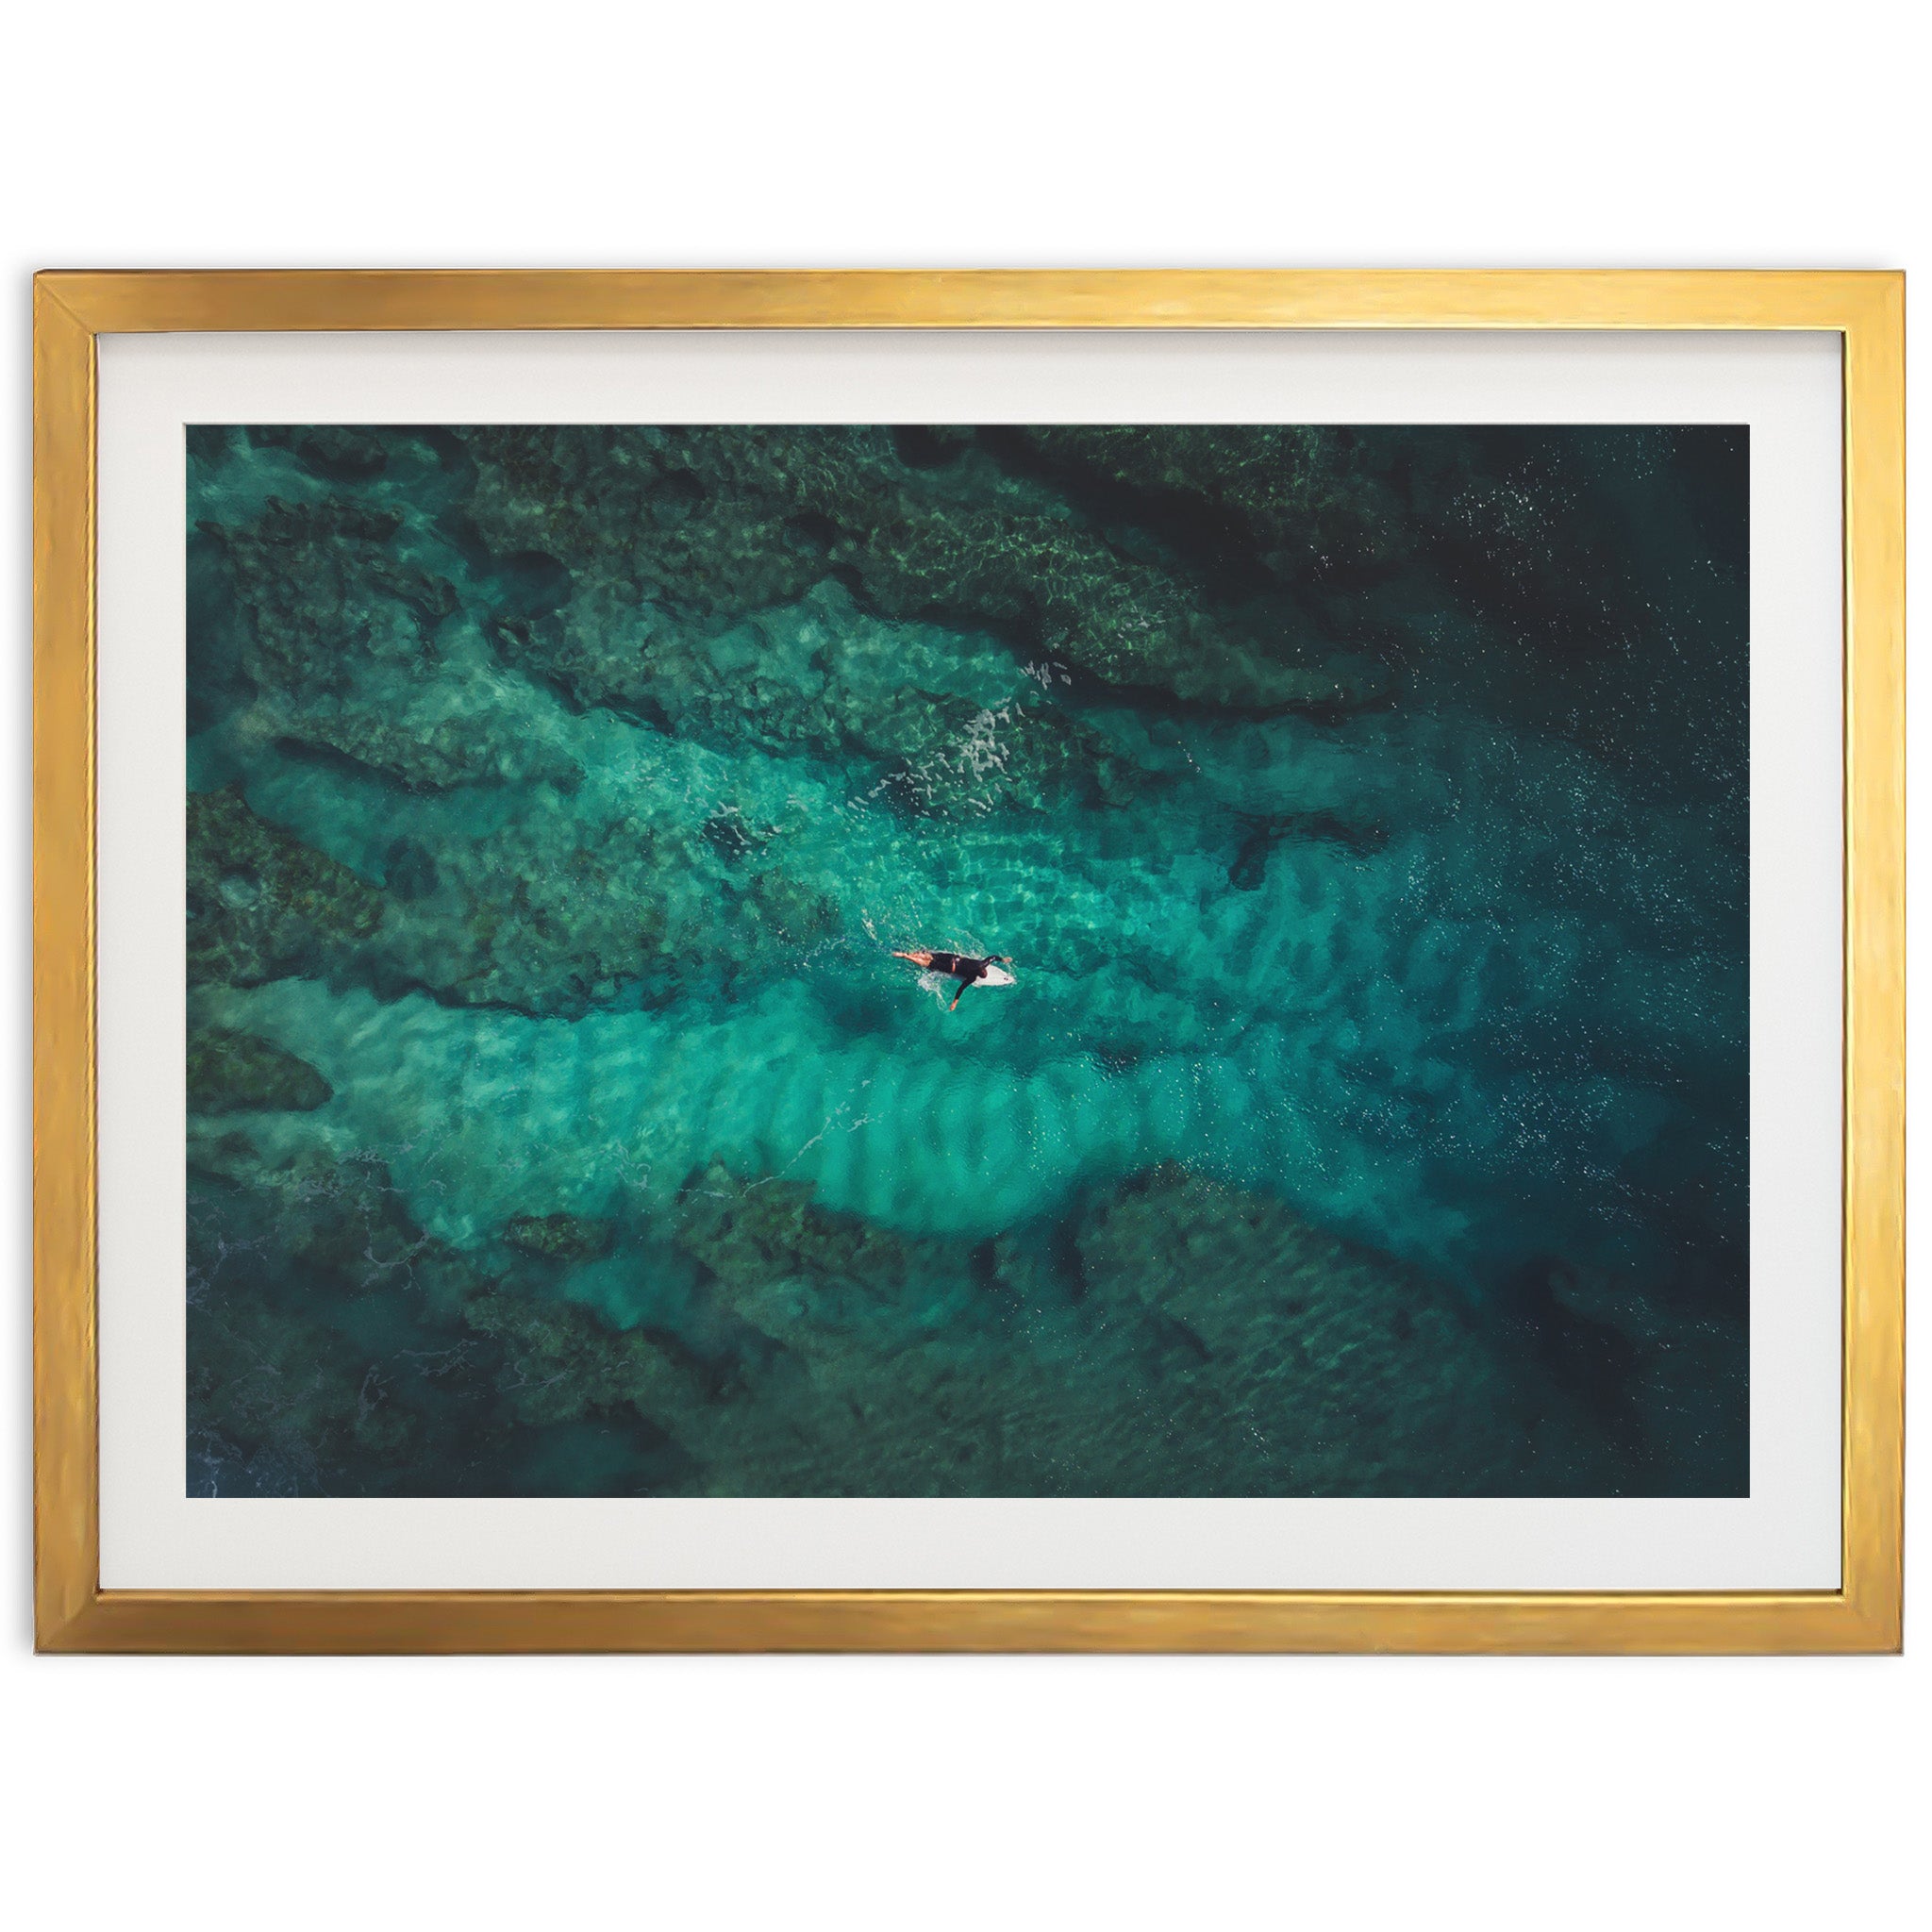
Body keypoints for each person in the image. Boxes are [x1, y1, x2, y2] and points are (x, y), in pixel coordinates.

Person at [891, 948, 1015, 1011]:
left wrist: (1003, 959)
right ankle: (906, 957)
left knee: (931, 956)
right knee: (927, 964)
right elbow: (961, 988)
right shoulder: (972, 977)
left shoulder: (982, 963)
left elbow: (993, 957)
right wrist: (955, 1002)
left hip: (953, 958)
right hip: (950, 968)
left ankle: (910, 953)